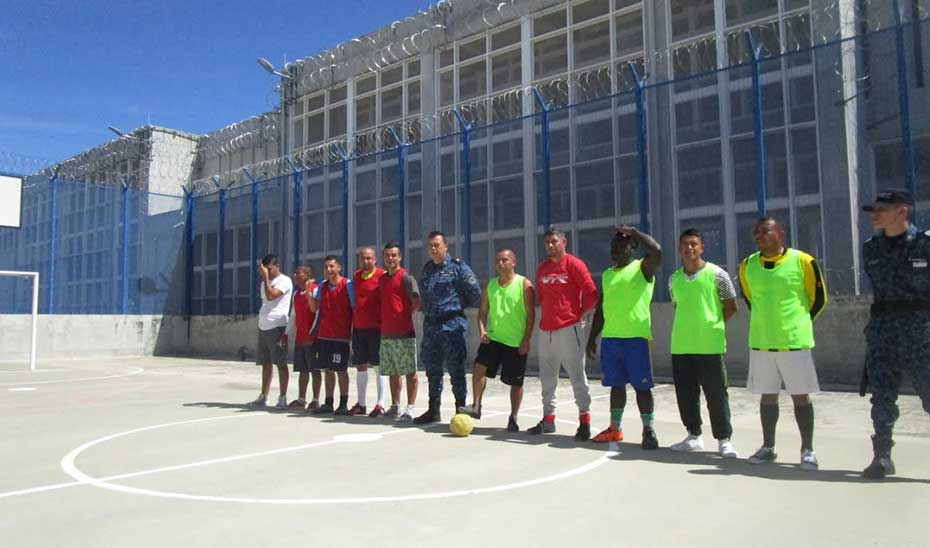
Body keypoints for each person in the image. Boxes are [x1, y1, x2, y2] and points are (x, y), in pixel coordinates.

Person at [738, 217, 827, 470]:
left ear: (780, 233)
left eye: (765, 231)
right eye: (756, 232)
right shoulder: (747, 265)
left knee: (801, 397)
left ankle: (807, 450)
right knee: (767, 397)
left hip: (794, 343)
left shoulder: (803, 261)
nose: (759, 236)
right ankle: (768, 447)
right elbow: (750, 299)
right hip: (762, 343)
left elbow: (818, 299)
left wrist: (798, 323)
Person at [861, 189, 930, 479]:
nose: (875, 214)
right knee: (882, 395)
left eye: (882, 209)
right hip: (883, 330)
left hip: (921, 329)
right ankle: (882, 457)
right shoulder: (871, 248)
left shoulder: (925, 245)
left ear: (903, 212)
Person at [586, 226, 661, 449]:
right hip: (611, 340)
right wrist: (592, 337)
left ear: (633, 247)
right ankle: (615, 428)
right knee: (616, 386)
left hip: (636, 339)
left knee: (642, 387)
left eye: (621, 246)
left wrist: (634, 232)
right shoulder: (608, 275)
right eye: (613, 247)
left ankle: (648, 430)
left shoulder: (642, 269)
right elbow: (601, 308)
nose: (615, 250)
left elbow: (657, 250)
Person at [667, 229, 739, 458]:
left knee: (716, 394)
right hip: (681, 346)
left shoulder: (718, 274)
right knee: (686, 395)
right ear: (679, 249)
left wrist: (712, 324)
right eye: (685, 245)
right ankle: (693, 435)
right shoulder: (674, 279)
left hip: (709, 345)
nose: (689, 248)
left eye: (694, 244)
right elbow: (677, 306)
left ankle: (724, 439)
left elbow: (731, 306)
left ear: (702, 247)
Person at [531, 225, 598, 440]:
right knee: (547, 379)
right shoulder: (542, 269)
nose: (550, 246)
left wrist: (582, 315)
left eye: (554, 242)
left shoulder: (575, 265)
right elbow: (541, 297)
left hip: (569, 329)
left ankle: (584, 421)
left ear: (564, 242)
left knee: (577, 377)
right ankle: (548, 419)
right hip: (545, 331)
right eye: (547, 242)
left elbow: (592, 294)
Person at [458, 249, 536, 432]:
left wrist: (526, 340)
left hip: (515, 341)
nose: (500, 263)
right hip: (493, 338)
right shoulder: (490, 285)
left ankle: (513, 417)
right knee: (479, 368)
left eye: (504, 260)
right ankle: (476, 406)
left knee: (516, 383)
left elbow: (531, 316)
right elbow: (483, 311)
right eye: (497, 260)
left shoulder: (524, 284)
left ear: (513, 262)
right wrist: (482, 329)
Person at [415, 231, 482, 424]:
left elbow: (475, 292)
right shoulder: (427, 269)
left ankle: (460, 409)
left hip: (452, 325)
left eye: (437, 245)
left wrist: (457, 307)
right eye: (430, 246)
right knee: (432, 369)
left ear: (446, 247)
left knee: (456, 369)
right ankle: (433, 409)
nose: (433, 249)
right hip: (431, 325)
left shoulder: (458, 268)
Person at [378, 242, 422, 421]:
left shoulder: (406, 278)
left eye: (394, 255)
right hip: (386, 333)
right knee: (392, 371)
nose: (390, 259)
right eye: (387, 255)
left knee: (409, 372)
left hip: (404, 333)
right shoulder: (382, 279)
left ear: (400, 257)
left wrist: (403, 316)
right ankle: (395, 406)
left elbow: (417, 302)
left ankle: (410, 408)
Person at [309, 255, 355, 415]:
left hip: (341, 337)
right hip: (324, 335)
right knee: (328, 369)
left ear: (339, 268)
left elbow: (355, 309)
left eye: (331, 266)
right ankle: (328, 402)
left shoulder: (348, 285)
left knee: (341, 370)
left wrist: (352, 333)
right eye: (326, 267)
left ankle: (343, 403)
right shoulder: (322, 286)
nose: (328, 270)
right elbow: (314, 308)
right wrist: (309, 292)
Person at [248, 254, 293, 409]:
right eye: (265, 269)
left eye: (269, 269)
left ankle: (282, 397)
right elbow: (266, 300)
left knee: (280, 363)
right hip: (263, 326)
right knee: (265, 363)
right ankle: (263, 396)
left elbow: (271, 295)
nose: (267, 272)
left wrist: (266, 278)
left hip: (278, 326)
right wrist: (266, 279)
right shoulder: (264, 283)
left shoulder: (285, 281)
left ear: (277, 266)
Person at [349, 247, 388, 417]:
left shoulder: (382, 276)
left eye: (369, 258)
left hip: (376, 328)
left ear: (375, 259)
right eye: (363, 258)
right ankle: (362, 403)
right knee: (360, 366)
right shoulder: (356, 276)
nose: (366, 261)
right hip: (358, 328)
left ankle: (380, 404)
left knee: (379, 366)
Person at [282, 265, 321, 411]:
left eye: (299, 274)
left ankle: (316, 400)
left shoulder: (316, 290)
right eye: (295, 274)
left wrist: (314, 334)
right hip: (300, 339)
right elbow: (293, 316)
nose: (295, 276)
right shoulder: (296, 294)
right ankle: (301, 399)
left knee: (315, 370)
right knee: (303, 370)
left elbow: (317, 312)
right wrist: (287, 334)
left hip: (313, 339)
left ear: (307, 275)